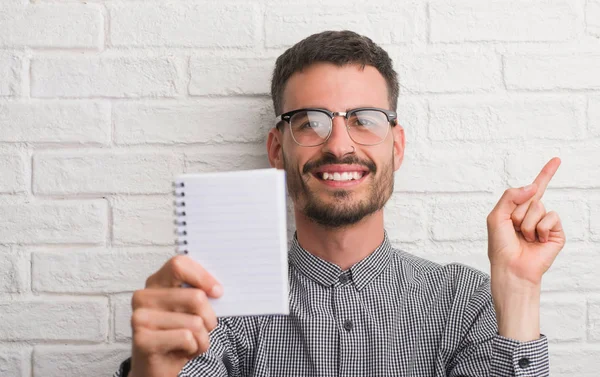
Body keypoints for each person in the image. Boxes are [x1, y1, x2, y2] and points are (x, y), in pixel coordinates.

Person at [114, 30, 565, 377]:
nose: (339, 145)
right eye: (311, 122)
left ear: (398, 146)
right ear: (276, 149)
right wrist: (152, 369)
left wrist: (521, 290)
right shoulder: (220, 307)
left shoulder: (464, 304)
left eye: (364, 120)